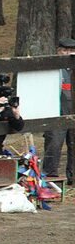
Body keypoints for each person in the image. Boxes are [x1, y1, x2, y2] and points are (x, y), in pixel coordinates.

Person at [42, 38, 74, 185]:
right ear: (58, 51)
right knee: (53, 145)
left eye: (71, 50)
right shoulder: (51, 68)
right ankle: (50, 179)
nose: (68, 53)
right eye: (65, 50)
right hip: (56, 113)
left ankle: (72, 178)